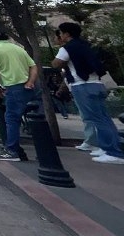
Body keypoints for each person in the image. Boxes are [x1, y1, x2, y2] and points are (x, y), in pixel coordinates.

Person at [52, 22, 124, 164]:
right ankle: (107, 147)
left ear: (67, 34)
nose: (59, 36)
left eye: (60, 33)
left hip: (83, 86)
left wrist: (60, 48)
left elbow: (56, 63)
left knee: (97, 119)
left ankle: (114, 152)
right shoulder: (84, 45)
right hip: (96, 83)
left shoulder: (67, 48)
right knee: (104, 118)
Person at [0, 27, 38, 162]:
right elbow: (33, 66)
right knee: (36, 119)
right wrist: (31, 81)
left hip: (13, 87)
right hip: (28, 87)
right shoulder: (18, 48)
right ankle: (42, 151)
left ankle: (12, 151)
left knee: (11, 119)